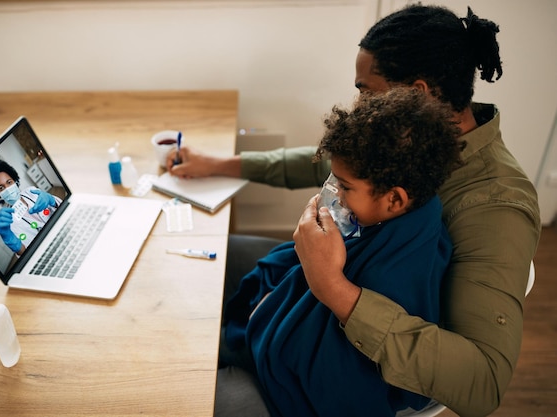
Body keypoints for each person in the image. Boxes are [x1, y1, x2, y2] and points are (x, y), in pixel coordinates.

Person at [169, 4, 542, 416]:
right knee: (200, 258)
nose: (359, 102)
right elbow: (326, 163)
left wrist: (334, 289)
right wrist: (219, 165)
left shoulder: (495, 207)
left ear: (415, 93)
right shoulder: (410, 134)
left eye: (367, 90)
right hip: (322, 298)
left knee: (181, 395)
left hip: (346, 365)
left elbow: (483, 382)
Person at [219, 87, 465, 416]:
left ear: (394, 199)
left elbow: (342, 379)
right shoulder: (410, 212)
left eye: (345, 187)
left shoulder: (391, 276)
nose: (337, 196)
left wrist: (278, 312)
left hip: (293, 391)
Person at [0, 158, 62, 256]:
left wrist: (52, 201)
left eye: (9, 182)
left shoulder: (31, 191)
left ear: (15, 181)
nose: (8, 189)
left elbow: (62, 207)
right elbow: (25, 254)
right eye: (1, 187)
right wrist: (11, 241)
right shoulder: (9, 222)